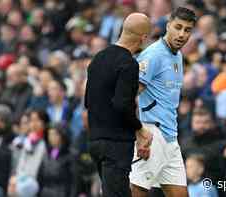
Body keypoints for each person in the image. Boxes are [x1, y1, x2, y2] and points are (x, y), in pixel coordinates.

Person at [130, 7, 196, 197]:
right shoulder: (153, 55)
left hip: (170, 137)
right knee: (138, 190)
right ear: (168, 26)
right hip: (152, 133)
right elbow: (130, 96)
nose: (182, 34)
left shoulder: (178, 56)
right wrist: (139, 132)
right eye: (178, 27)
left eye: (187, 30)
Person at [84, 13, 153, 197]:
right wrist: (140, 128)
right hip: (116, 144)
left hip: (95, 141)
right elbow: (122, 105)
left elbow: (87, 101)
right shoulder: (128, 63)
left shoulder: (97, 59)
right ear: (143, 37)